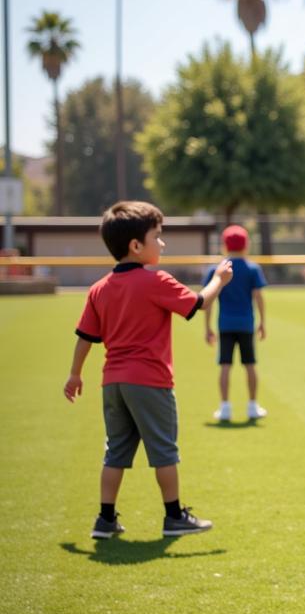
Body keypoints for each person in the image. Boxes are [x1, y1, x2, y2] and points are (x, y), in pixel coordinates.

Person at [63, 200, 233, 539]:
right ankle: (174, 517)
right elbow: (199, 303)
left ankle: (105, 520)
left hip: (112, 382)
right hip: (150, 381)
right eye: (158, 236)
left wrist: (75, 374)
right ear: (136, 245)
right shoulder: (156, 281)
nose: (163, 243)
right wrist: (219, 279)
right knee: (164, 451)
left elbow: (86, 337)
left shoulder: (98, 289)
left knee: (115, 452)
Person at [204, 224, 268, 422]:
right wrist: (262, 322)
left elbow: (209, 300)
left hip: (225, 325)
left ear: (224, 245)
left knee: (225, 365)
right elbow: (258, 297)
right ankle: (252, 406)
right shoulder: (252, 268)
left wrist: (207, 328)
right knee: (250, 365)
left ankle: (224, 407)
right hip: (246, 324)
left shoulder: (217, 269)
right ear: (246, 245)